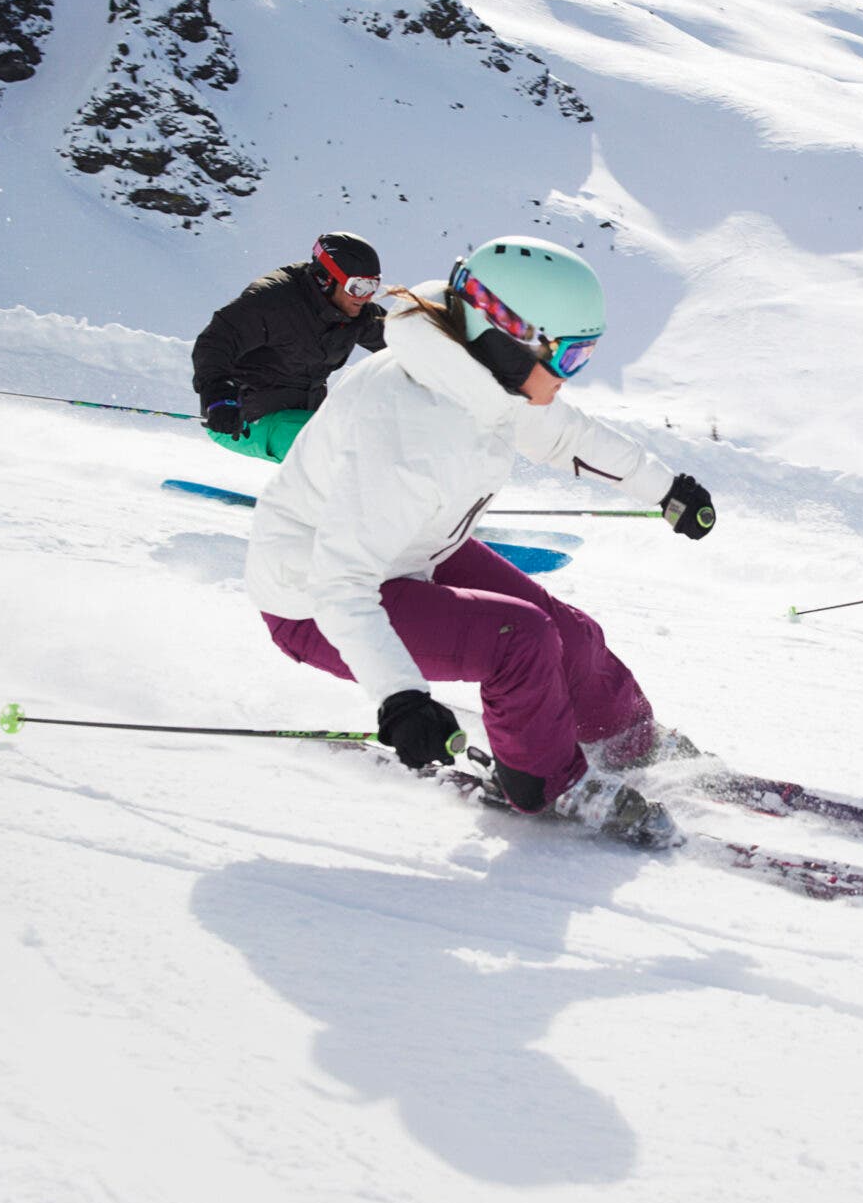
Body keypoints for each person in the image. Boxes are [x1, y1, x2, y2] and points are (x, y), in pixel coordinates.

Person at [244, 236, 717, 829]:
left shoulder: (475, 374)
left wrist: (665, 489)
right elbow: (340, 583)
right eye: (568, 358)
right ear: (509, 336)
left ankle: (629, 742)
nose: (569, 378)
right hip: (311, 598)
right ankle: (547, 783)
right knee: (519, 640)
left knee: (572, 632)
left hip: (410, 549)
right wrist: (402, 699)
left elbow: (567, 436)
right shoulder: (407, 431)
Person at [192, 232, 389, 461]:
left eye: (373, 286)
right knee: (344, 450)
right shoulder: (274, 302)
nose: (365, 297)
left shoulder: (355, 313)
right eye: (358, 287)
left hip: (304, 416)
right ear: (327, 278)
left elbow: (400, 339)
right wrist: (219, 395)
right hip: (243, 418)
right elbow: (216, 340)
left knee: (380, 441)